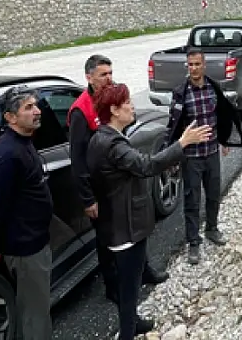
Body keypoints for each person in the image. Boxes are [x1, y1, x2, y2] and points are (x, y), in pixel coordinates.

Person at [87, 83, 213, 340]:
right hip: (126, 229)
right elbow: (148, 165)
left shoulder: (100, 138)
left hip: (114, 226)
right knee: (129, 292)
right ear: (114, 110)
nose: (132, 106)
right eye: (127, 102)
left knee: (128, 287)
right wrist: (182, 143)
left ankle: (133, 325)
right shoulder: (113, 145)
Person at [0, 85, 72, 340]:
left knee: (29, 308)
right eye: (28, 108)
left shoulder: (22, 142)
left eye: (36, 105)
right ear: (10, 117)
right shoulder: (8, 154)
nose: (37, 111)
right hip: (25, 245)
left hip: (33, 238)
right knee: (36, 312)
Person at [67, 54, 168, 307]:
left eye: (111, 73)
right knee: (107, 240)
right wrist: (88, 198)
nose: (109, 78)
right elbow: (77, 159)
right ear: (89, 77)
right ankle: (113, 287)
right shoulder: (81, 110)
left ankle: (143, 270)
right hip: (101, 187)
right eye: (103, 74)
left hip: (120, 181)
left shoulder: (111, 99)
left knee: (135, 231)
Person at [164, 48, 242, 265]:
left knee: (214, 194)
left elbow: (222, 115)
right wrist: (172, 153)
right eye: (190, 65)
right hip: (191, 157)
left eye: (197, 64)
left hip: (212, 153)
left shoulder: (213, 88)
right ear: (187, 66)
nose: (194, 68)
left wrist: (224, 139)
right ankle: (193, 242)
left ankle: (212, 229)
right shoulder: (181, 93)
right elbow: (173, 124)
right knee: (192, 200)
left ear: (204, 64)